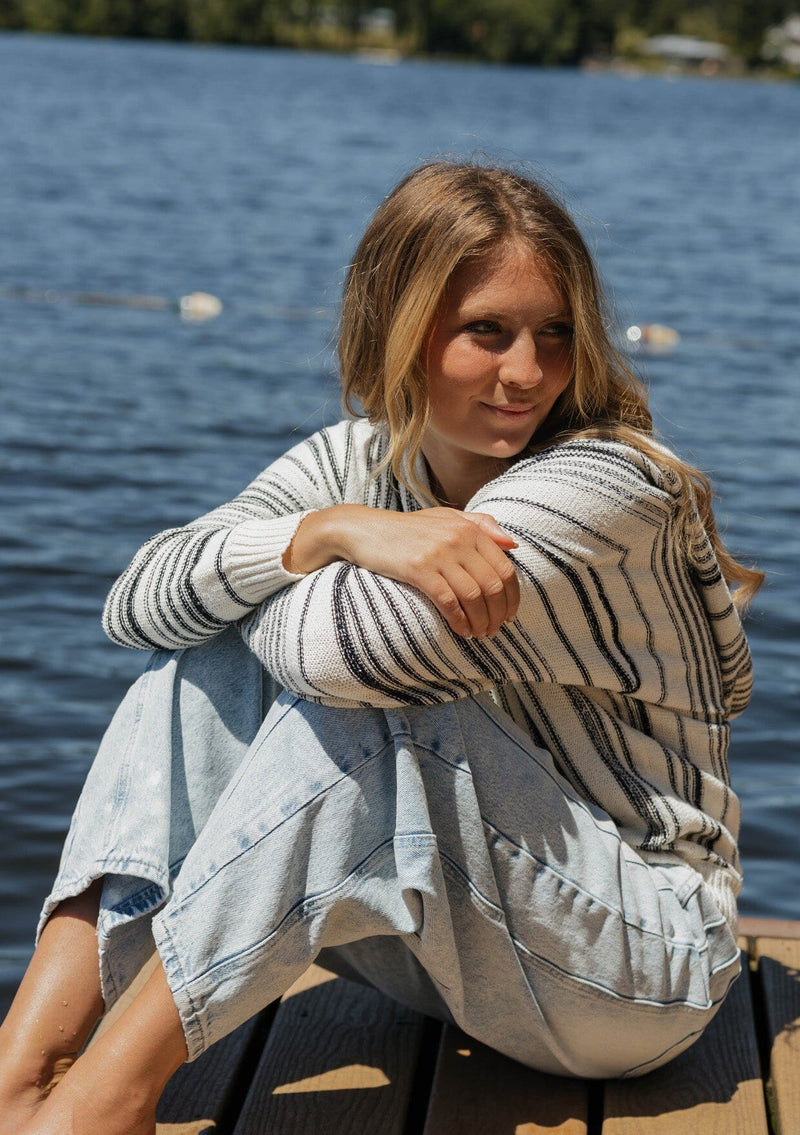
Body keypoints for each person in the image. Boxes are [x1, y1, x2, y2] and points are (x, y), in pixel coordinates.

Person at [0, 161, 762, 1135]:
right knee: (193, 660)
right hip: (455, 941)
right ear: (398, 326)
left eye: (555, 333)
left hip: (636, 972)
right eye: (486, 330)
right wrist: (324, 531)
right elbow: (136, 603)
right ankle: (23, 1069)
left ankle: (100, 1106)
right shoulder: (352, 462)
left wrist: (271, 575)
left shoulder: (599, 486)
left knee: (346, 693)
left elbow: (342, 660)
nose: (526, 372)